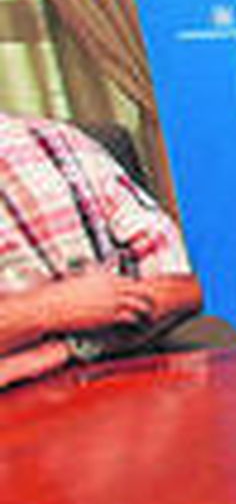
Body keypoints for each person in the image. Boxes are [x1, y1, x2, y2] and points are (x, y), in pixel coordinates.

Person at [0, 112, 203, 390]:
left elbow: (186, 289)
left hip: (126, 382)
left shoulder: (63, 145)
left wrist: (62, 349)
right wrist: (48, 309)